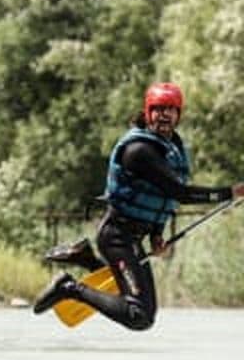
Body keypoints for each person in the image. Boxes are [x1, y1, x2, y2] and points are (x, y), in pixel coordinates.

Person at [33, 82, 244, 330]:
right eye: (158, 109)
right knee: (137, 314)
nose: (164, 114)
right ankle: (69, 287)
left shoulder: (170, 149)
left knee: (145, 314)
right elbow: (180, 194)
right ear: (147, 112)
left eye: (170, 109)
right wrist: (231, 192)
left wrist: (156, 235)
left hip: (132, 239)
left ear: (179, 115)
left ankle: (87, 259)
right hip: (117, 237)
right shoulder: (139, 151)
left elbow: (162, 198)